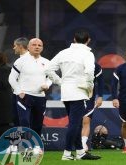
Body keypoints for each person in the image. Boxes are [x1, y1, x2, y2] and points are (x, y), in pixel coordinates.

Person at [44, 29, 101, 160]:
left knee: (76, 122)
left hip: (66, 91)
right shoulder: (87, 54)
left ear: (74, 40)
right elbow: (90, 70)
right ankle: (67, 153)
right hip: (79, 91)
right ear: (88, 40)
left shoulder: (63, 52)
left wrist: (60, 82)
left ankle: (80, 152)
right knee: (74, 124)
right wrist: (89, 86)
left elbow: (48, 69)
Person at [9, 38, 51, 138]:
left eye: (39, 45)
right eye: (34, 45)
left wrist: (47, 84)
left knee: (37, 124)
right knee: (24, 122)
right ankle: (23, 146)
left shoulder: (47, 62)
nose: (37, 47)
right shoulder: (20, 61)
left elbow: (51, 78)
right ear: (28, 47)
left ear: (42, 48)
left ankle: (35, 147)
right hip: (24, 96)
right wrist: (19, 91)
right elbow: (11, 78)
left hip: (40, 97)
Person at [81, 62, 104, 151]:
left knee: (86, 121)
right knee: (76, 122)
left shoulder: (95, 66)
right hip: (74, 97)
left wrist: (100, 97)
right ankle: (74, 144)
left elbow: (101, 82)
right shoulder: (72, 63)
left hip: (89, 97)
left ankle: (83, 144)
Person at [11, 37, 29, 126]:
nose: (13, 48)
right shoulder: (19, 60)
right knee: (17, 121)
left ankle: (26, 139)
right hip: (17, 94)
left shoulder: (29, 60)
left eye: (15, 46)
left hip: (24, 95)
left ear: (20, 46)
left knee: (23, 122)